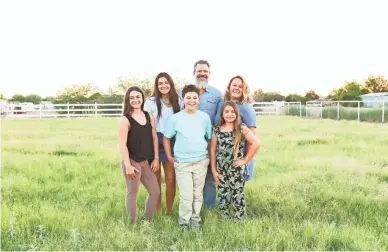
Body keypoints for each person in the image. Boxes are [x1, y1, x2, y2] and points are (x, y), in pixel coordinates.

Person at [163, 84, 212, 231]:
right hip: (182, 163)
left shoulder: (204, 117)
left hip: (200, 162)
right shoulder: (175, 119)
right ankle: (184, 222)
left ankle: (195, 220)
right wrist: (169, 157)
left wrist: (208, 155)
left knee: (197, 194)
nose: (191, 100)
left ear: (199, 100)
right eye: (188, 97)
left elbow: (209, 137)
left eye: (194, 98)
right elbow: (166, 138)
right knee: (186, 196)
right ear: (182, 99)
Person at [210, 101, 260, 220]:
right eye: (226, 111)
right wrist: (213, 170)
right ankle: (225, 219)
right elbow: (212, 150)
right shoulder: (217, 130)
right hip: (221, 170)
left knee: (238, 195)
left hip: (236, 170)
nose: (230, 114)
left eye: (232, 112)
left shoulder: (241, 128)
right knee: (223, 196)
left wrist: (245, 160)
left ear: (237, 114)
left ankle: (239, 220)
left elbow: (256, 143)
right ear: (222, 114)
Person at [118, 86, 160, 223]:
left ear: (142, 98)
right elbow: (122, 144)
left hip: (145, 161)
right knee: (132, 194)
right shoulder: (125, 119)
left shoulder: (149, 116)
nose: (135, 100)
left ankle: (146, 221)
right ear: (127, 100)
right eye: (131, 98)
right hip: (132, 161)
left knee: (155, 192)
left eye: (138, 97)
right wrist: (127, 165)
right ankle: (133, 223)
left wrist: (156, 158)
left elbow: (154, 138)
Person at [144, 72, 182, 215]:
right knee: (156, 178)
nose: (163, 85)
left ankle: (169, 211)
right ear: (157, 85)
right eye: (160, 83)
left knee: (171, 179)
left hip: (172, 140)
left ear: (171, 84)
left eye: (166, 83)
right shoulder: (151, 102)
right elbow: (146, 124)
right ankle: (157, 209)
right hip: (154, 139)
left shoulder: (179, 101)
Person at [190, 59, 222, 208]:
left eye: (205, 71)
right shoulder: (184, 92)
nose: (202, 74)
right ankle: (191, 206)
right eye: (199, 71)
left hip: (210, 140)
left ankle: (209, 206)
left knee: (209, 174)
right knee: (190, 175)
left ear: (209, 74)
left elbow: (220, 118)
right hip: (189, 141)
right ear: (194, 73)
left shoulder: (217, 94)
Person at [215, 75, 257, 181]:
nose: (236, 88)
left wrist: (245, 160)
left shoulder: (246, 108)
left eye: (240, 86)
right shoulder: (221, 104)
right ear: (229, 87)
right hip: (221, 157)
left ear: (244, 89)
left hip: (237, 157)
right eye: (234, 85)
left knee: (236, 192)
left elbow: (251, 139)